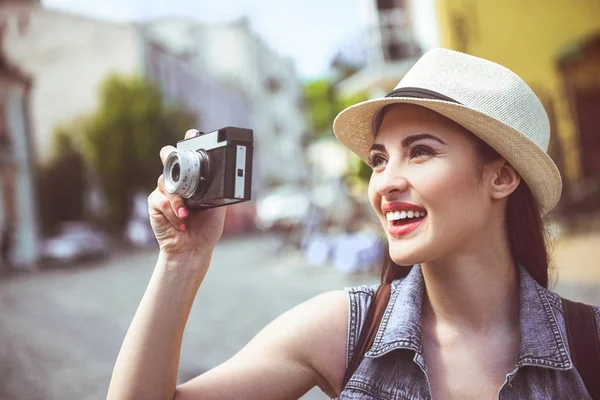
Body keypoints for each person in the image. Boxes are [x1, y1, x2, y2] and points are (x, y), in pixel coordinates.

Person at [107, 49, 600, 399]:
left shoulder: (590, 345)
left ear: (501, 176)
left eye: (421, 152)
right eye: (380, 159)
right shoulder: (342, 331)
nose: (385, 182)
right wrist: (181, 260)